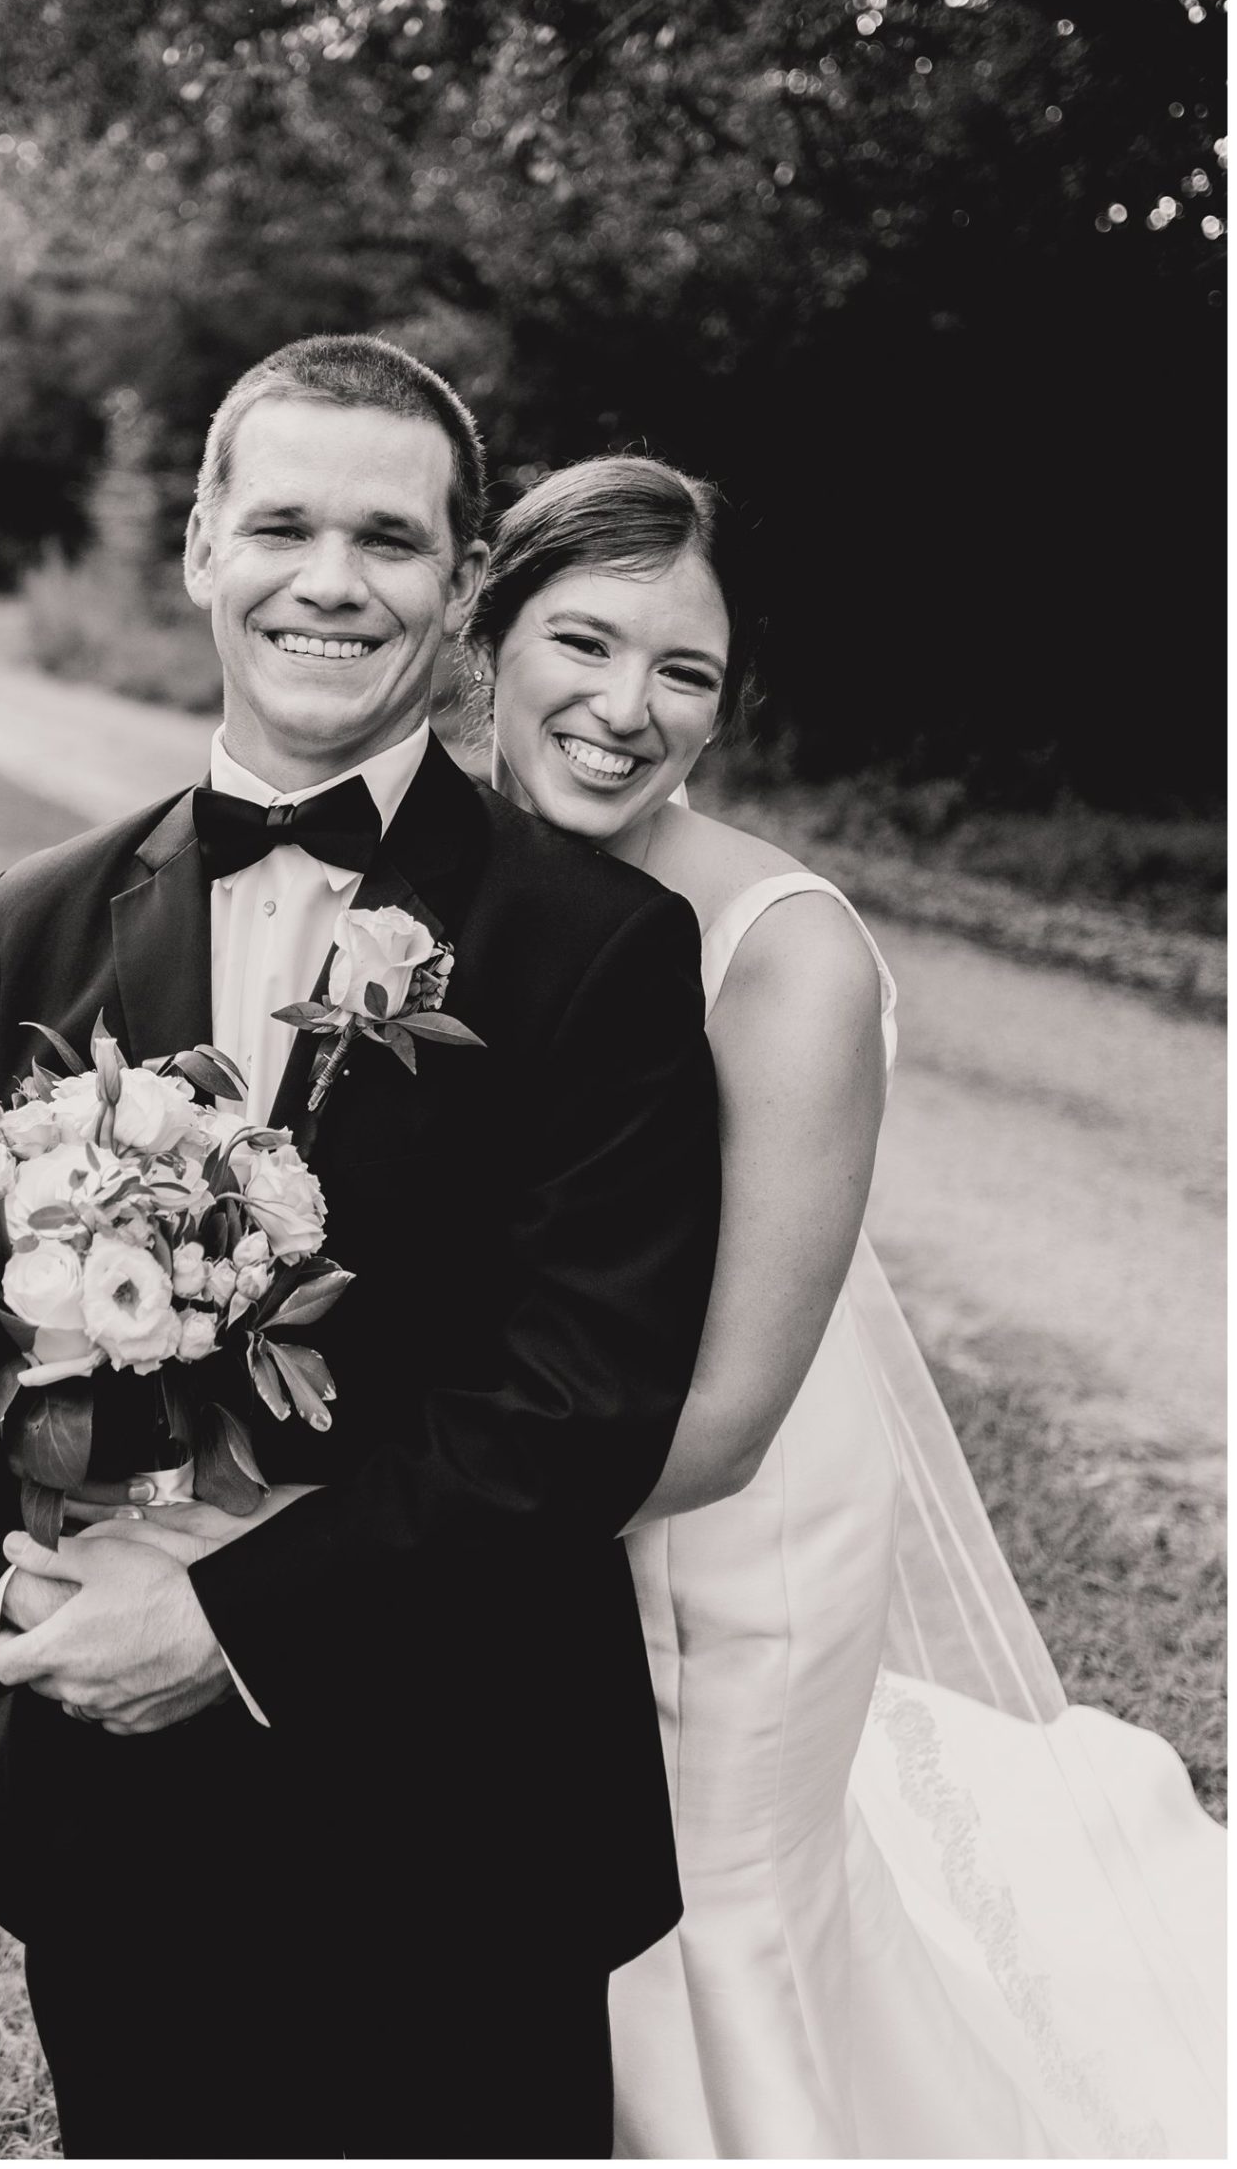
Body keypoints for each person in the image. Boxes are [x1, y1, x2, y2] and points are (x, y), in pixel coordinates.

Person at [0, 344, 723, 2158]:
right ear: (199, 552)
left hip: (457, 1826)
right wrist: (23, 1613)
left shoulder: (597, 947)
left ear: (463, 581)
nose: (332, 578)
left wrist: (229, 1621)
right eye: (285, 524)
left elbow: (578, 1403)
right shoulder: (38, 912)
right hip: (112, 1817)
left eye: (389, 537)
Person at [445, 453, 1221, 2159]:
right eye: (579, 642)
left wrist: (410, 1548)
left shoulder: (785, 955)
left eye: (686, 673)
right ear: (482, 635)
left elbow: (727, 1417)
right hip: (516, 1480)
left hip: (725, 1522)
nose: (623, 708)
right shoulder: (417, 880)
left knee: (706, 1930)